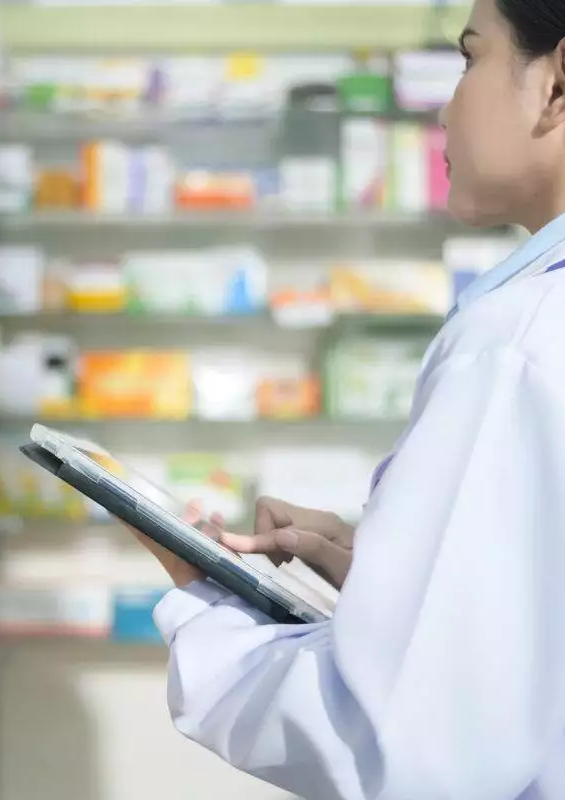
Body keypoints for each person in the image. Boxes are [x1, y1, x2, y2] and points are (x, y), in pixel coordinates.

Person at [127, 1, 565, 797]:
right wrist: (395, 583)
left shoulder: (517, 340)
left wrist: (212, 610)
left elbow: (401, 749)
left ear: (557, 84)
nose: (446, 104)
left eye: (470, 59)